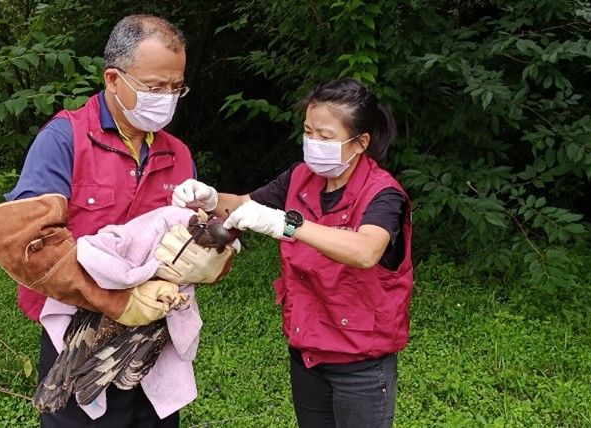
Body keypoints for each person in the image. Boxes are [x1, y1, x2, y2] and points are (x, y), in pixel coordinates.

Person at [3, 14, 227, 428]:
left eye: (176, 87)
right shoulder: (64, 139)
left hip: (155, 336)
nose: (168, 98)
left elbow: (191, 237)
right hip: (80, 331)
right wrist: (118, 302)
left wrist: (213, 252)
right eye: (155, 87)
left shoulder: (177, 153)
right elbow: (29, 246)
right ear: (112, 79)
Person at [172, 78, 414, 427]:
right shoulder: (302, 177)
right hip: (308, 352)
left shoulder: (383, 195)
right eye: (308, 131)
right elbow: (244, 204)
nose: (313, 142)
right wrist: (209, 197)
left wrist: (287, 225)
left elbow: (365, 251)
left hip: (360, 362)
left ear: (360, 142)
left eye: (326, 136)